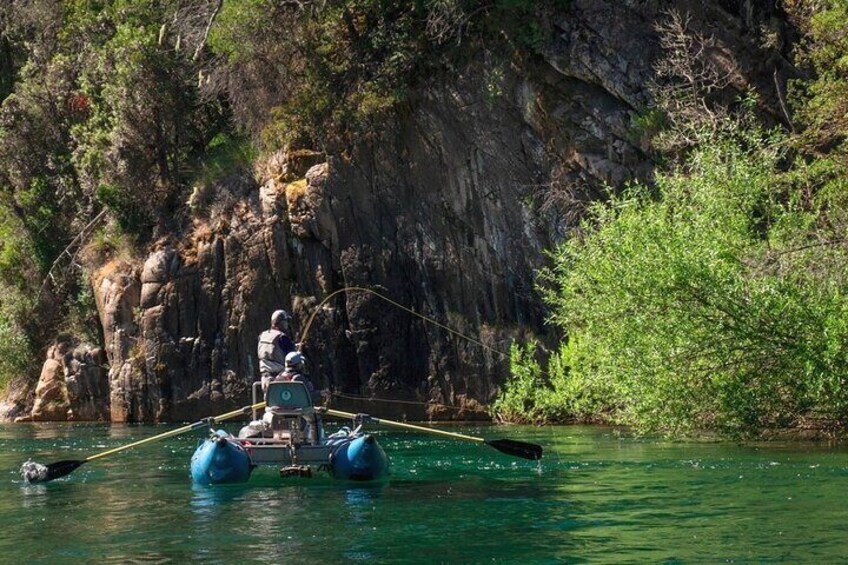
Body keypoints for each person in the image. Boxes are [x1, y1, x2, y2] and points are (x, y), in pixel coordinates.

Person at [277, 351, 322, 444]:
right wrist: (321, 393)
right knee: (315, 420)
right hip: (298, 409)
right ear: (299, 364)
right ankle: (316, 444)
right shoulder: (299, 378)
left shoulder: (278, 377)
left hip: (279, 410)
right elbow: (308, 397)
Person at [257, 309, 296, 390]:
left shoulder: (262, 335)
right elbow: (292, 357)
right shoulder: (282, 337)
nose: (287, 324)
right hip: (281, 378)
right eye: (286, 321)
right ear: (281, 322)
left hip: (265, 379)